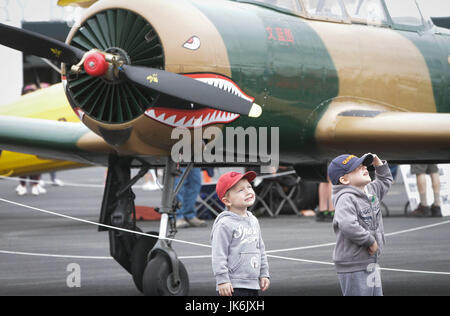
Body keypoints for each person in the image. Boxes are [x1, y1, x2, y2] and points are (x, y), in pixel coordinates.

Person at [328, 153, 393, 296]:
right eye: (357, 168)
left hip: (370, 261)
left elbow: (385, 181)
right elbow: (348, 224)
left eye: (364, 165)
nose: (364, 167)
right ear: (344, 179)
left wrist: (378, 165)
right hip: (353, 265)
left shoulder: (370, 191)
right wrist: (370, 241)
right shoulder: (345, 198)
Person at [211, 171, 270, 296]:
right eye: (240, 190)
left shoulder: (253, 220)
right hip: (233, 286)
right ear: (227, 201)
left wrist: (264, 273)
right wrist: (222, 280)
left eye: (249, 187)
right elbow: (218, 254)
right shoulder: (224, 224)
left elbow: (260, 249)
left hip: (253, 284)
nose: (248, 191)